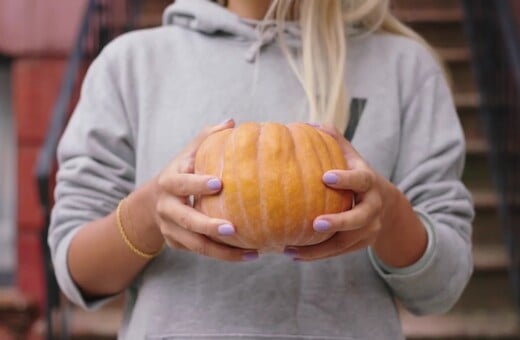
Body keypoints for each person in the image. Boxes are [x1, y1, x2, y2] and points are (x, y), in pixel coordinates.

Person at [48, 0, 475, 339]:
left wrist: (388, 216)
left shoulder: (405, 68)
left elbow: (442, 286)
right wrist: (148, 214)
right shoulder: (131, 64)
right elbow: (77, 272)